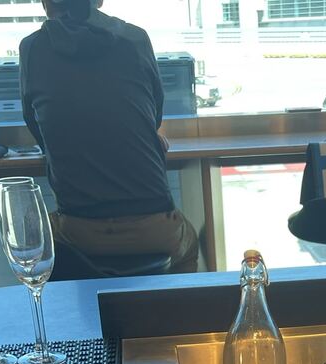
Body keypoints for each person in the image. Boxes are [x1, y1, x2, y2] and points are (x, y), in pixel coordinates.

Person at [21, 0, 200, 273]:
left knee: (39, 239)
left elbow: (38, 130)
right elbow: (153, 115)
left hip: (78, 232)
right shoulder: (135, 38)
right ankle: (175, 310)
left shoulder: (32, 48)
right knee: (189, 244)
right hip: (156, 228)